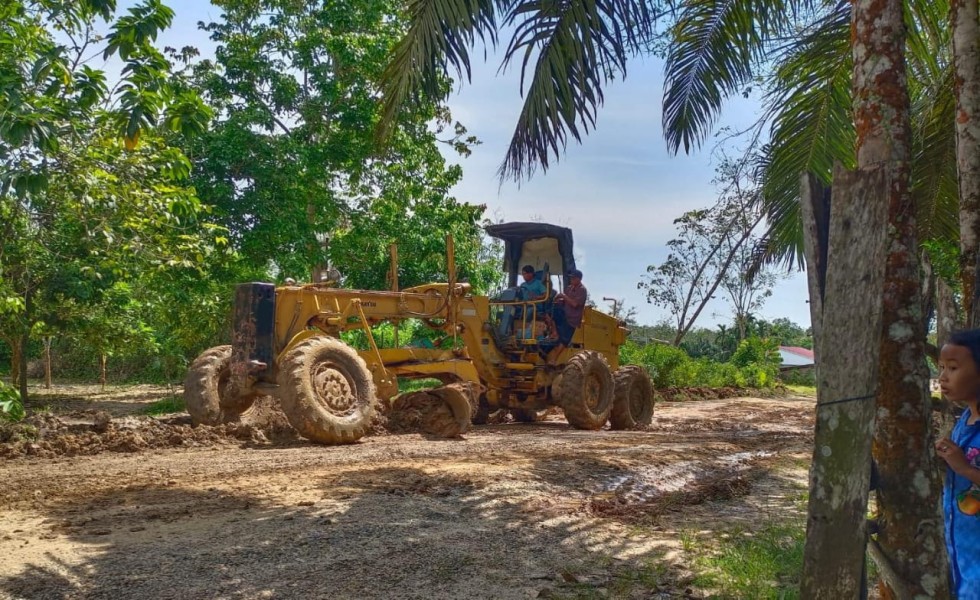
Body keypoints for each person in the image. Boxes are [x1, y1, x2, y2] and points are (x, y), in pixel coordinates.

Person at [936, 328, 980, 599]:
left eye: (953, 368)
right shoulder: (966, 419)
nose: (943, 377)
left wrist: (964, 468)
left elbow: (965, 468)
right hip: (962, 551)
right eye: (942, 367)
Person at [548, 269, 587, 363]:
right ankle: (554, 332)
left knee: (564, 339)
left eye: (573, 278)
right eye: (571, 278)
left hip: (572, 319)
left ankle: (554, 359)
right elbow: (566, 301)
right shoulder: (569, 288)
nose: (571, 280)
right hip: (564, 314)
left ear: (579, 279)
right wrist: (559, 300)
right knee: (550, 310)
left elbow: (574, 304)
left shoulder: (582, 290)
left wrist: (563, 296)